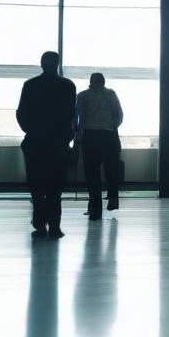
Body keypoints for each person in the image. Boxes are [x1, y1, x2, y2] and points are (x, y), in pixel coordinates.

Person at [16, 52, 76, 239]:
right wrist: (66, 135)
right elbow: (72, 115)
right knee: (55, 186)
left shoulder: (31, 85)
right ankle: (55, 225)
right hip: (58, 142)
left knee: (36, 185)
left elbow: (21, 113)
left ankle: (40, 222)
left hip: (35, 140)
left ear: (42, 64)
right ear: (58, 64)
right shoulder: (67, 86)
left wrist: (31, 130)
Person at [73, 72, 123, 222]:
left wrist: (77, 134)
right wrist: (112, 126)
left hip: (90, 136)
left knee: (92, 174)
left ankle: (95, 209)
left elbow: (76, 116)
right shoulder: (111, 94)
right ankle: (112, 198)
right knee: (111, 170)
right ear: (103, 81)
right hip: (109, 135)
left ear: (91, 81)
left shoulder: (82, 96)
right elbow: (119, 114)